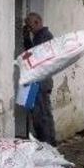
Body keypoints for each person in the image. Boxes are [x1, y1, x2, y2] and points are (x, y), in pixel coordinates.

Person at [22, 12, 57, 146]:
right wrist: (26, 38)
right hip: (34, 82)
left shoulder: (44, 37)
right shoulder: (38, 37)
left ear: (37, 22)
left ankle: (48, 145)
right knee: (37, 114)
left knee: (42, 116)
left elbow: (34, 57)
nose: (29, 29)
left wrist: (27, 39)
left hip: (40, 83)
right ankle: (46, 143)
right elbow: (30, 53)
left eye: (29, 26)